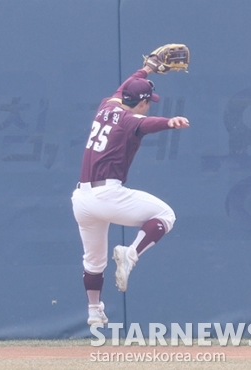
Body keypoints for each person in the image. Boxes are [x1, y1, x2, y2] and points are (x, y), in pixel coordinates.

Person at [71, 61, 190, 325]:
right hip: (107, 196)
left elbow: (125, 87)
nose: (151, 105)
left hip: (81, 199)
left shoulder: (108, 106)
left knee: (93, 260)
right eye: (150, 101)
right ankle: (131, 254)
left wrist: (146, 68)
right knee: (166, 214)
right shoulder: (129, 118)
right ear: (143, 102)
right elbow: (146, 124)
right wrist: (170, 122)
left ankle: (94, 310)